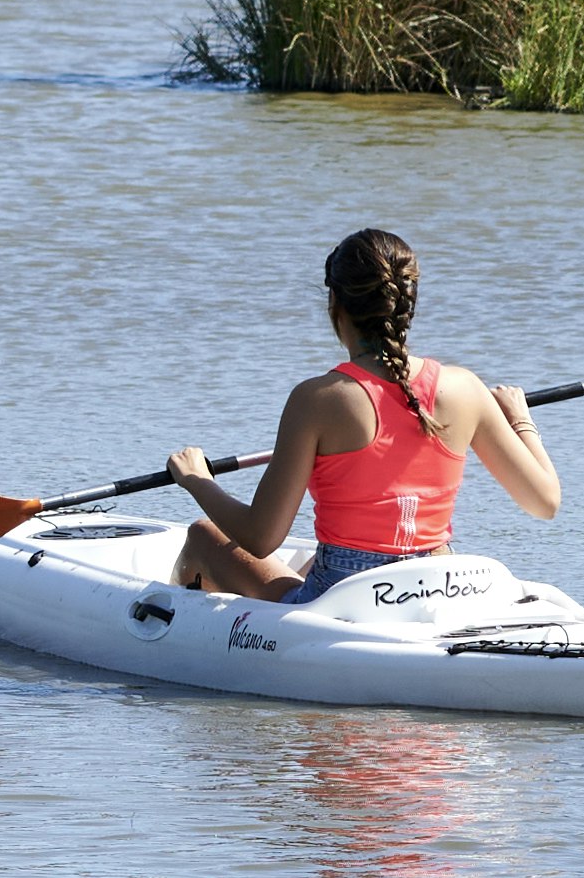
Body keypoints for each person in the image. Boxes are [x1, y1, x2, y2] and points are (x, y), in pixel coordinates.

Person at [170, 226, 562, 601]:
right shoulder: (466, 388)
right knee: (307, 563)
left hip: (344, 593)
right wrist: (520, 421)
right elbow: (545, 502)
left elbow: (261, 538)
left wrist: (197, 480)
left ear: (335, 304)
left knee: (203, 536)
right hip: (439, 584)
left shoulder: (318, 399)